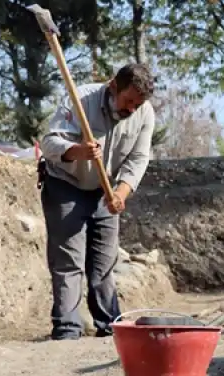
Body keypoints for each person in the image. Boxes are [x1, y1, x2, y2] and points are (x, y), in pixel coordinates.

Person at [39, 63, 156, 340]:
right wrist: (77, 151)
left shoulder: (144, 113)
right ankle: (67, 330)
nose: (132, 109)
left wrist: (121, 194)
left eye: (137, 105)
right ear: (113, 86)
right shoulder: (80, 99)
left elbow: (138, 159)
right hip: (65, 185)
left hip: (106, 191)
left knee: (103, 264)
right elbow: (49, 143)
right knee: (69, 262)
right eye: (128, 101)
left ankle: (110, 327)